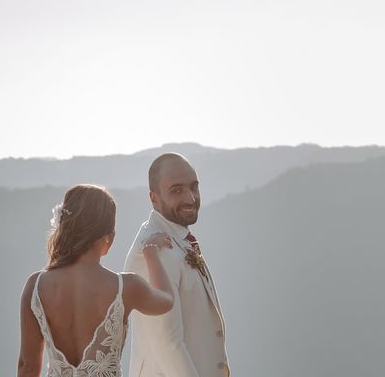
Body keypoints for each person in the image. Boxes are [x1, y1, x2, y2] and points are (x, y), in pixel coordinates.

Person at [17, 184, 175, 377]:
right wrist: (150, 251)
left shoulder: (35, 286)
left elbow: (28, 365)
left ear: (64, 229)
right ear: (109, 238)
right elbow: (166, 300)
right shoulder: (125, 288)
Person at [125, 153, 230, 377]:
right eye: (177, 190)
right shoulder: (155, 250)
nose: (191, 199)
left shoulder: (176, 236)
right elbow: (167, 343)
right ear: (154, 197)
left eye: (194, 187)